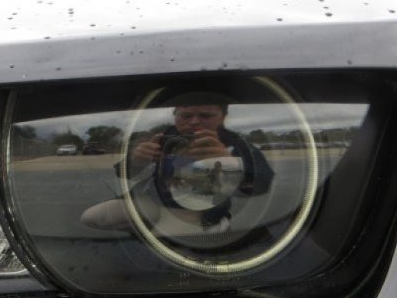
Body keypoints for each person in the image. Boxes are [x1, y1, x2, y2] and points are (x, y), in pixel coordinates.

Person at [80, 93, 274, 234]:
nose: (194, 122)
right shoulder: (163, 136)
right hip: (151, 200)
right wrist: (136, 160)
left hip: (197, 212)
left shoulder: (237, 144)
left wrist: (229, 163)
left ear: (223, 117)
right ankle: (145, 230)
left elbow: (262, 184)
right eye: (185, 116)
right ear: (175, 116)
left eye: (205, 116)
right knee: (93, 217)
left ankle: (214, 227)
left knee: (171, 252)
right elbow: (123, 173)